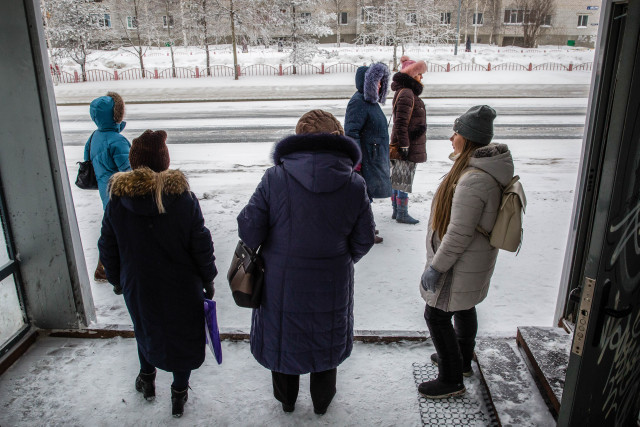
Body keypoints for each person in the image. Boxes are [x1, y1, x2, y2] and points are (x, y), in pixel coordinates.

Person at [237, 110, 375, 415]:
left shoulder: (275, 178)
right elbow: (364, 238)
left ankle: (287, 401)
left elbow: (250, 229)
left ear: (298, 139)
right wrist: (340, 258)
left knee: (283, 340)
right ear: (338, 138)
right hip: (332, 282)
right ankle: (322, 403)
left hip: (280, 282)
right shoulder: (354, 184)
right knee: (326, 340)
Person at [98, 130, 217, 418]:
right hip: (182, 285)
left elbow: (108, 245)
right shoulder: (183, 198)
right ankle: (179, 393)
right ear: (165, 163)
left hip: (138, 284)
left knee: (145, 329)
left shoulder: (118, 200)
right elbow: (200, 242)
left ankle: (147, 381)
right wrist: (207, 278)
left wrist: (117, 280)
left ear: (134, 163)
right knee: (183, 336)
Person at [418, 105, 513, 399]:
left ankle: (451, 378)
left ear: (468, 139)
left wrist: (436, 267)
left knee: (435, 315)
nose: (451, 138)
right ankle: (461, 360)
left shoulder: (473, 179)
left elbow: (458, 233)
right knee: (463, 306)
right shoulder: (484, 170)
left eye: (456, 133)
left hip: (460, 262)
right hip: (474, 259)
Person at [85, 92, 131, 282]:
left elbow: (89, 159)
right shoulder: (117, 141)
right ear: (116, 114)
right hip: (119, 193)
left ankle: (104, 267)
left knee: (111, 229)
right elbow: (129, 171)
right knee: (119, 232)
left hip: (106, 191)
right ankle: (105, 269)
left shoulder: (95, 136)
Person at [344, 63, 392, 244]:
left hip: (372, 157)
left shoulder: (369, 102)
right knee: (363, 198)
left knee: (367, 196)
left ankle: (366, 227)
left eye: (381, 82)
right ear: (368, 82)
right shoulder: (358, 102)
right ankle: (364, 232)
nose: (380, 85)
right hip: (365, 160)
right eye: (377, 81)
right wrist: (356, 162)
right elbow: (351, 132)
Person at [389, 56, 427, 224]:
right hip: (406, 144)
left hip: (407, 142)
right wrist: (404, 145)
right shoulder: (407, 93)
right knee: (403, 178)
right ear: (412, 75)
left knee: (399, 177)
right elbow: (401, 123)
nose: (422, 77)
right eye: (419, 74)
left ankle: (397, 211)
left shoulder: (406, 92)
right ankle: (401, 213)